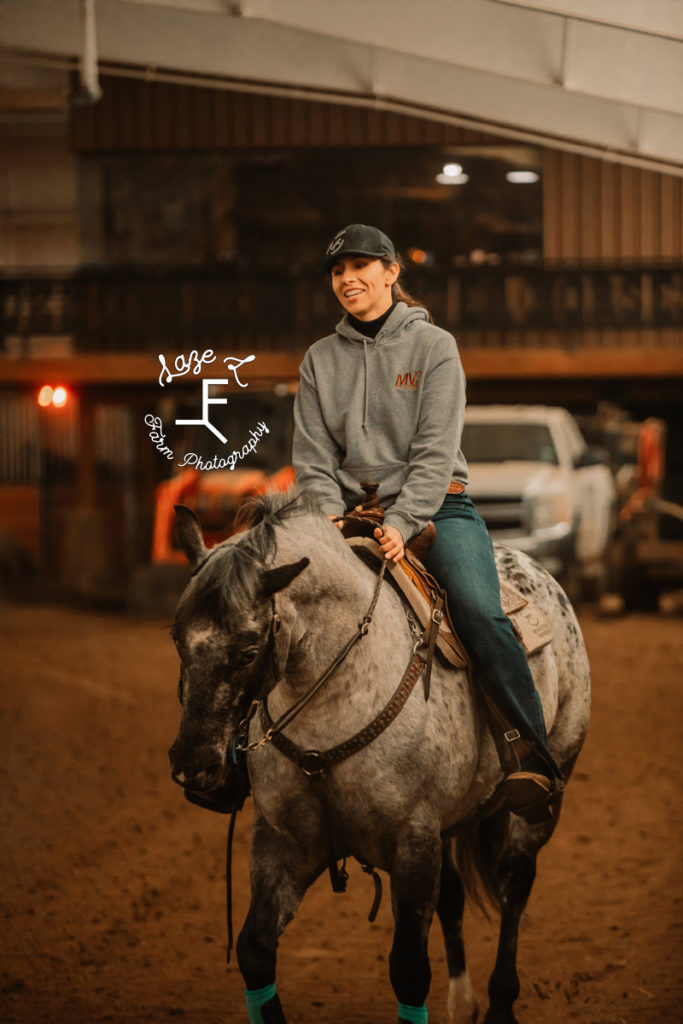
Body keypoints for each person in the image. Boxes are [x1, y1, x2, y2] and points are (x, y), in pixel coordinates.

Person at [292, 223, 563, 822]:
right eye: (337, 271)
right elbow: (312, 460)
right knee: (275, 606)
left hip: (437, 506)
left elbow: (435, 453)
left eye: (360, 266)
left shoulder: (435, 347)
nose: (347, 279)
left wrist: (405, 520)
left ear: (392, 273)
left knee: (477, 609)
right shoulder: (318, 360)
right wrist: (329, 520)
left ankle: (532, 755)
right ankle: (239, 755)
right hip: (345, 518)